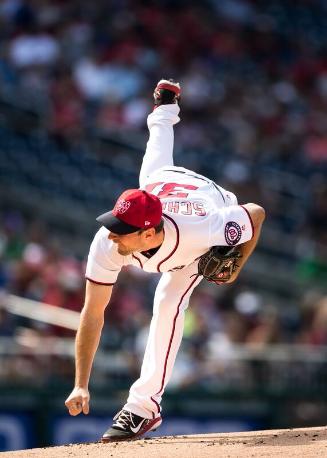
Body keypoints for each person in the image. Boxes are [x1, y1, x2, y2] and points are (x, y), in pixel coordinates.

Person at [65, 79, 265, 441]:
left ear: (146, 233)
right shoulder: (109, 241)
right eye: (114, 223)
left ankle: (143, 408)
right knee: (155, 155)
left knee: (168, 299)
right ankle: (166, 105)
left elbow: (254, 212)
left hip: (208, 206)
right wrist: (81, 384)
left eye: (120, 228)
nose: (111, 233)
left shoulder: (204, 230)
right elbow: (92, 313)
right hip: (162, 185)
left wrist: (236, 263)